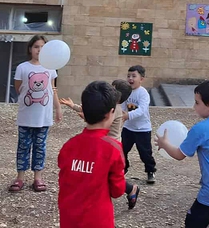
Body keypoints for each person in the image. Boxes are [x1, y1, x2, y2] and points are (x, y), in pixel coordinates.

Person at [156, 79, 209, 228]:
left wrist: (164, 144)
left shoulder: (200, 129)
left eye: (197, 103)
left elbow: (179, 154)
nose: (193, 106)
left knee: (192, 223)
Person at [61, 79, 140, 209]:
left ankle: (131, 189)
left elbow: (96, 118)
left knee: (108, 176)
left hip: (109, 146)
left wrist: (85, 116)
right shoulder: (108, 106)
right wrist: (73, 106)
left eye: (112, 88)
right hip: (101, 143)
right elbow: (91, 111)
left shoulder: (116, 110)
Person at [58, 81, 126, 228]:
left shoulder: (68, 146)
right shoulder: (113, 148)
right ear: (111, 113)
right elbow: (117, 190)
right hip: (99, 220)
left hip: (69, 217)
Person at [9, 34, 62, 193]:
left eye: (43, 47)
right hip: (26, 116)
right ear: (30, 49)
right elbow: (19, 88)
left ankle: (38, 177)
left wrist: (58, 107)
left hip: (43, 117)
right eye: (36, 46)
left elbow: (52, 89)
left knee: (40, 146)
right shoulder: (22, 67)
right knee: (23, 146)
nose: (39, 50)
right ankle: (20, 177)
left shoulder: (51, 68)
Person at [121, 65, 157, 184]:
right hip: (128, 128)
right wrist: (120, 116)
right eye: (128, 76)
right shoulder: (126, 92)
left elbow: (142, 110)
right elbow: (122, 106)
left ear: (141, 79)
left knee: (145, 153)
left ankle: (150, 171)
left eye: (133, 76)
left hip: (142, 129)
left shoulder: (143, 93)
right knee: (122, 150)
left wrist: (128, 115)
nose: (130, 78)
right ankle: (123, 168)